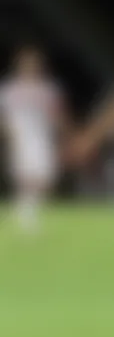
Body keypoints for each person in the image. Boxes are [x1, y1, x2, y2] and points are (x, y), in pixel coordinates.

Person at [0, 44, 69, 234]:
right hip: (21, 136)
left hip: (43, 137)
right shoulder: (9, 89)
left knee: (45, 178)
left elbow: (57, 115)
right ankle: (27, 219)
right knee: (25, 177)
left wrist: (65, 137)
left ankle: (25, 212)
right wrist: (8, 138)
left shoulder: (48, 89)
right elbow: (4, 116)